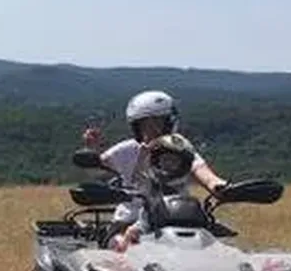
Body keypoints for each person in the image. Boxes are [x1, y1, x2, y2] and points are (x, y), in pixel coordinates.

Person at [82, 89, 227, 252]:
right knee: (122, 247)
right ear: (136, 128)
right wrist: (92, 149)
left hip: (177, 217)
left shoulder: (182, 149)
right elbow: (98, 170)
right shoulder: (127, 149)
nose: (151, 129)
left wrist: (220, 187)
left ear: (170, 122)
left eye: (157, 122)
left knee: (212, 252)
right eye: (144, 124)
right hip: (129, 220)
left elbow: (204, 173)